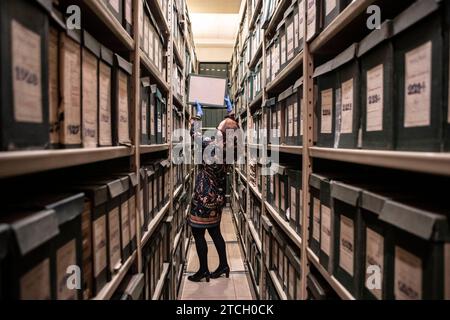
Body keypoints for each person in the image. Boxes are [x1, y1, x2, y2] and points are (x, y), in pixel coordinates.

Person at [187, 97, 240, 283]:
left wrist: (198, 116)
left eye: (218, 130)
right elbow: (232, 127)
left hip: (204, 197)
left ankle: (203, 270)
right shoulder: (231, 149)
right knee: (216, 232)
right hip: (217, 198)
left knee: (198, 232)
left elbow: (194, 134)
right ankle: (224, 265)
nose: (216, 131)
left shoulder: (211, 148)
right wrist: (230, 112)